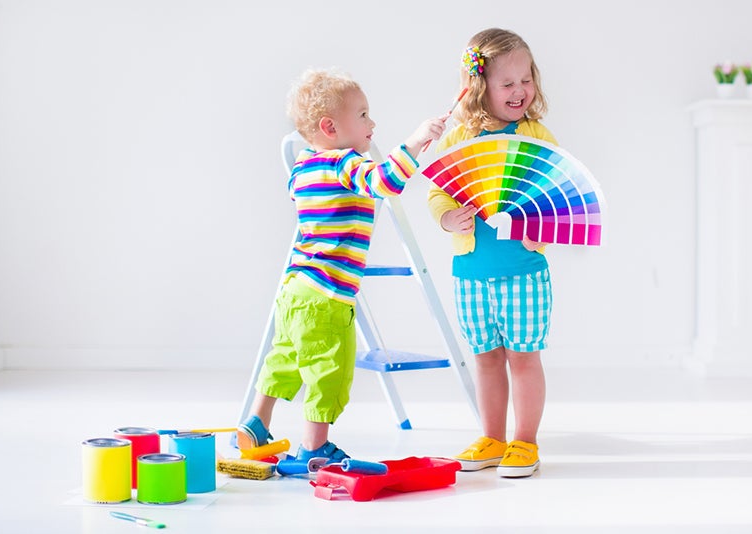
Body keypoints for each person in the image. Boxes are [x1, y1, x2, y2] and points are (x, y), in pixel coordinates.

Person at [236, 69, 446, 464]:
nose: (373, 124)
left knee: (286, 357)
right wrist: (417, 142)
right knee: (327, 370)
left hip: (295, 288)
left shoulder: (302, 168)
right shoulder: (344, 164)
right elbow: (384, 181)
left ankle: (257, 421)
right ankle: (314, 448)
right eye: (364, 115)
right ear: (330, 127)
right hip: (328, 295)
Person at [427, 28, 556, 478]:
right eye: (507, 83)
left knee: (523, 357)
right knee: (485, 357)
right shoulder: (459, 138)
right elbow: (437, 194)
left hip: (523, 270)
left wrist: (540, 226)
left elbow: (555, 195)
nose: (520, 90)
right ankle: (492, 436)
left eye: (526, 79)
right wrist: (447, 218)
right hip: (470, 273)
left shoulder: (536, 135)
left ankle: (526, 441)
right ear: (480, 86)